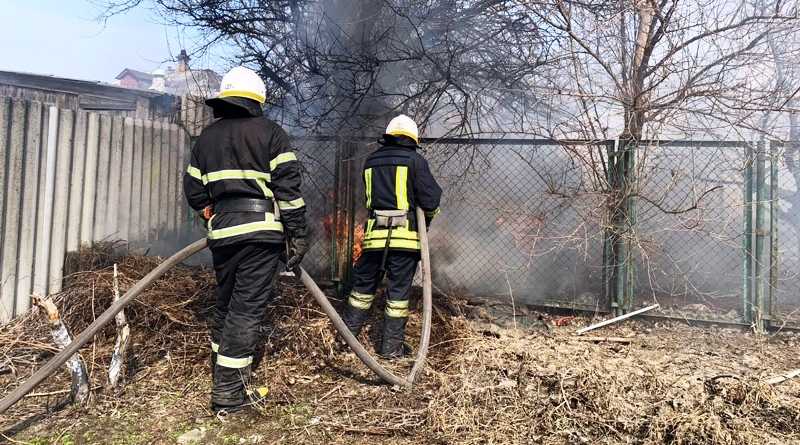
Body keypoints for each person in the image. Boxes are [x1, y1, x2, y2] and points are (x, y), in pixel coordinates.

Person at [183, 66, 308, 412]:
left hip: (223, 233)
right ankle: (229, 394)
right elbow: (288, 191)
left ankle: (222, 376)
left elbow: (193, 187)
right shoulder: (271, 133)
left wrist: (209, 209)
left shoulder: (206, 138)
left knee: (225, 307)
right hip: (261, 233)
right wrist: (297, 232)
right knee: (245, 310)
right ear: (257, 100)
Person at [340, 115, 442, 358]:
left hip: (374, 239)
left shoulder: (370, 162)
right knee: (397, 295)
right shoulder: (415, 161)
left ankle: (346, 340)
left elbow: (369, 199)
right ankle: (390, 348)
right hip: (404, 241)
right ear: (412, 139)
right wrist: (425, 222)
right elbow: (431, 200)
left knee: (362, 290)